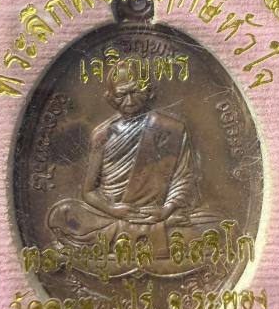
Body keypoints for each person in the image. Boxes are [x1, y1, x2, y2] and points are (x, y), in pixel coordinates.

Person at [48, 61, 219, 272]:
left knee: (214, 226)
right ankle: (156, 232)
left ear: (150, 91)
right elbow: (88, 192)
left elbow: (184, 179)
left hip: (154, 213)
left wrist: (165, 210)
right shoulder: (102, 135)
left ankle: (145, 232)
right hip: (112, 215)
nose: (129, 101)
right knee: (62, 214)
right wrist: (113, 209)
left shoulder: (171, 129)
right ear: (110, 98)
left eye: (135, 91)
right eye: (121, 94)